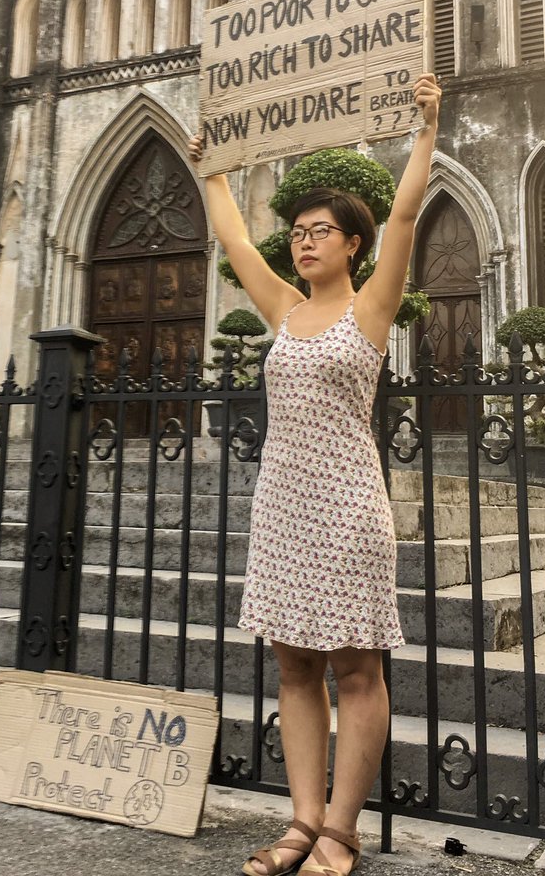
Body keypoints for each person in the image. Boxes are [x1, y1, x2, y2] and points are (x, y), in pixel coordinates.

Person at [188, 75, 441, 876]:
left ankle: (342, 831)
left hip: (346, 505)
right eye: (298, 231)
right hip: (283, 503)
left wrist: (426, 133)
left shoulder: (370, 308)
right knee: (292, 663)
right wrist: (214, 173)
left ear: (352, 246)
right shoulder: (284, 311)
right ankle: (301, 822)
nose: (304, 241)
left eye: (321, 230)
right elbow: (233, 242)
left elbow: (404, 215)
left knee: (355, 666)